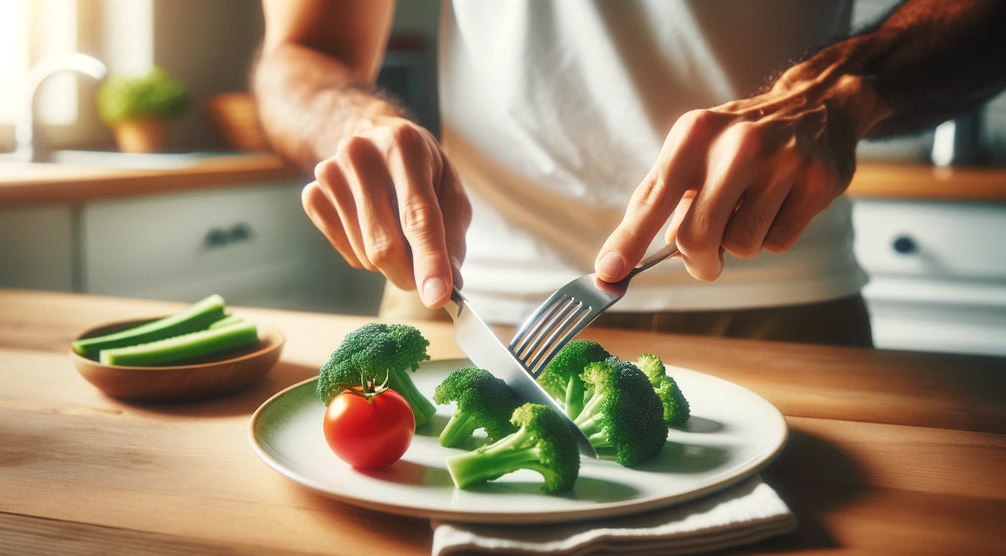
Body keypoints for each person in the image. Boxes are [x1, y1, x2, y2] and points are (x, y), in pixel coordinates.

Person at [252, 0, 1006, 346]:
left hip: (786, 299)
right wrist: (359, 125)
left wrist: (843, 89)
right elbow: (298, 55)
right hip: (458, 298)